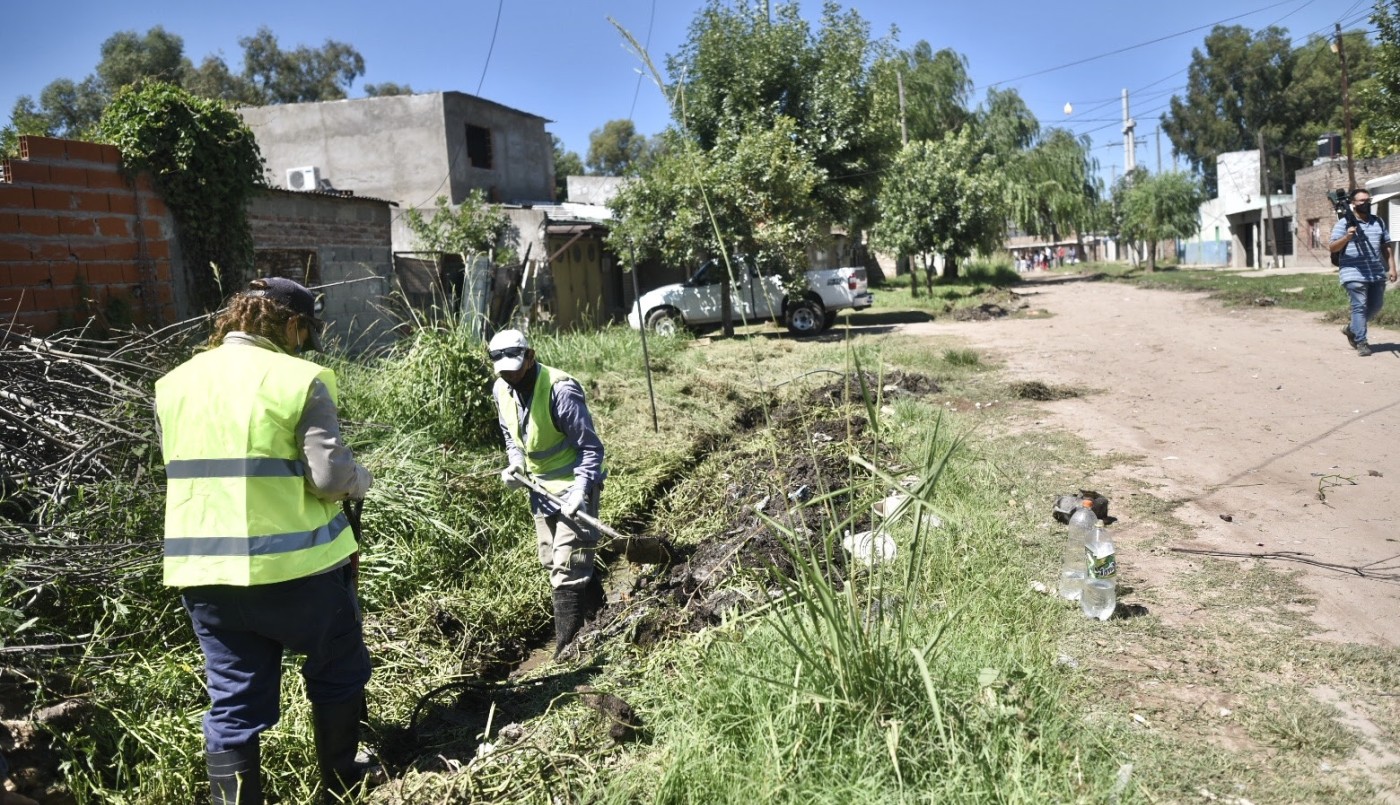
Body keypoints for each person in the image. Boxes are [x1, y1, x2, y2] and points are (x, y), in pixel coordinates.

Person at [155, 277, 374, 805]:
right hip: (299, 574)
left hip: (205, 575)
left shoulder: (174, 383)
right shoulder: (299, 379)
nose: (304, 343)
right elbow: (328, 478)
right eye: (305, 332)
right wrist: (360, 480)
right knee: (338, 669)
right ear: (292, 324)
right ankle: (342, 783)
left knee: (233, 703)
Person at [488, 328, 606, 658]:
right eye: (503, 371)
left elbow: (591, 448)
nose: (510, 376)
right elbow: (511, 436)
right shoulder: (501, 389)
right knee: (553, 559)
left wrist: (580, 490)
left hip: (574, 485)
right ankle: (602, 617)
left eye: (515, 369)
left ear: (530, 356)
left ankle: (566, 653)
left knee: (566, 570)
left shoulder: (560, 389)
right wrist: (515, 466)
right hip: (540, 489)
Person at [1330, 188, 1397, 357]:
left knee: (1376, 306)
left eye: (1368, 200)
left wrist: (1392, 267)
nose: (1365, 203)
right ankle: (1361, 342)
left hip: (1375, 271)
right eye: (1361, 200)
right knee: (1359, 306)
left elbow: (1386, 246)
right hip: (1352, 271)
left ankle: (1352, 328)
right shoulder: (1344, 223)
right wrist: (1347, 237)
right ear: (1353, 203)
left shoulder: (1378, 222)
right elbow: (1332, 247)